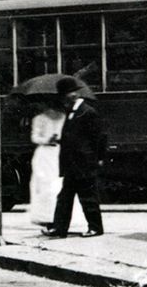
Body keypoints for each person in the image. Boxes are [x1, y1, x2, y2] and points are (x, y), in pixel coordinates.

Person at [47, 79, 108, 237]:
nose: (66, 97)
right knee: (65, 197)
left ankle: (95, 228)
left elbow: (100, 137)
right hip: (72, 163)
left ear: (73, 95)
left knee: (88, 197)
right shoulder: (72, 112)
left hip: (83, 162)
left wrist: (99, 157)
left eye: (68, 94)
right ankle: (59, 228)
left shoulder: (87, 112)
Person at [26, 95, 67, 229]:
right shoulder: (39, 119)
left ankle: (58, 215)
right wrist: (47, 140)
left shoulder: (63, 117)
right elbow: (35, 137)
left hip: (58, 152)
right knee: (44, 183)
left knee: (58, 183)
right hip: (44, 153)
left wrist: (59, 138)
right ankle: (45, 216)